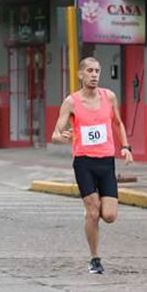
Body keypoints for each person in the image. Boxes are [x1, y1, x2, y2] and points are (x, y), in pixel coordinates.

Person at [51, 57, 133, 274]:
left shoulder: (109, 97)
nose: (94, 74)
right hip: (84, 162)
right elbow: (55, 134)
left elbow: (118, 123)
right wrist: (64, 136)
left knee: (109, 216)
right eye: (89, 71)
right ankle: (95, 258)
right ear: (80, 74)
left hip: (106, 162)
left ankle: (96, 236)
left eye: (97, 70)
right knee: (92, 212)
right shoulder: (71, 102)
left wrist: (126, 146)